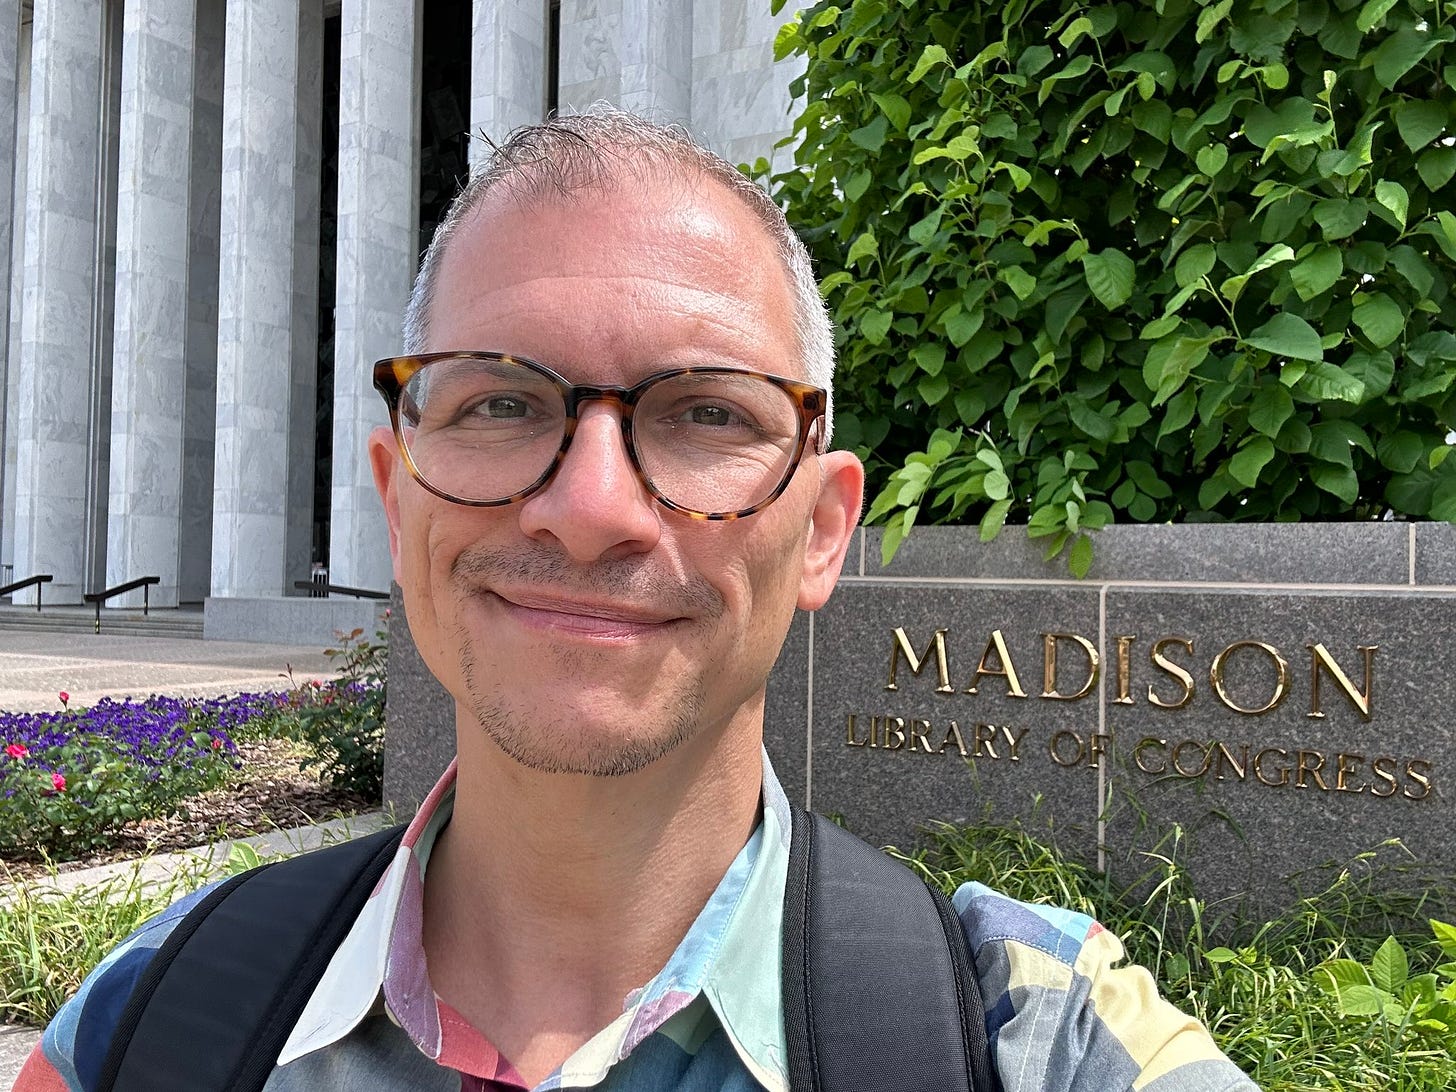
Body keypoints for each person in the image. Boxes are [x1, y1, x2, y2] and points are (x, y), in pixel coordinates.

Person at [17, 110, 1256, 1091]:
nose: (594, 506)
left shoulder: (1034, 1038)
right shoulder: (153, 1014)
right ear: (399, 508)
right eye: (499, 402)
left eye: (706, 411)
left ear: (823, 530)